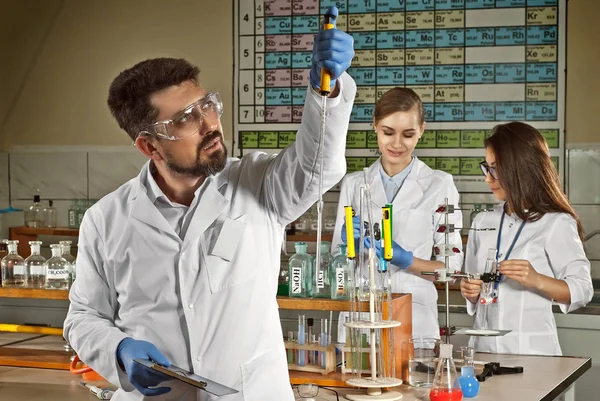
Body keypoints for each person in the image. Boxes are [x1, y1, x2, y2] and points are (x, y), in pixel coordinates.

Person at [63, 7, 355, 400]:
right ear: (149, 146)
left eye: (207, 105)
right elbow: (82, 317)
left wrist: (325, 91)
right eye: (186, 119)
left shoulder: (258, 185)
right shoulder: (105, 220)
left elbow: (317, 167)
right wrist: (118, 349)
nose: (210, 124)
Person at [332, 87, 463, 341]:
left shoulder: (440, 185)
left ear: (422, 130)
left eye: (408, 134)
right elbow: (336, 269)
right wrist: (348, 249)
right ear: (375, 126)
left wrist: (407, 260)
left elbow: (451, 271)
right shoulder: (353, 184)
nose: (397, 144)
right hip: (360, 317)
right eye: (388, 132)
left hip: (415, 322)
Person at [460, 122, 593, 355]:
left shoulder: (555, 223)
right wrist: (469, 291)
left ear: (519, 170)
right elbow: (473, 283)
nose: (488, 178)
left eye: (496, 169)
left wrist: (536, 279)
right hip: (483, 352)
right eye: (487, 168)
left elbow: (582, 290)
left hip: (533, 355)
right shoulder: (483, 222)